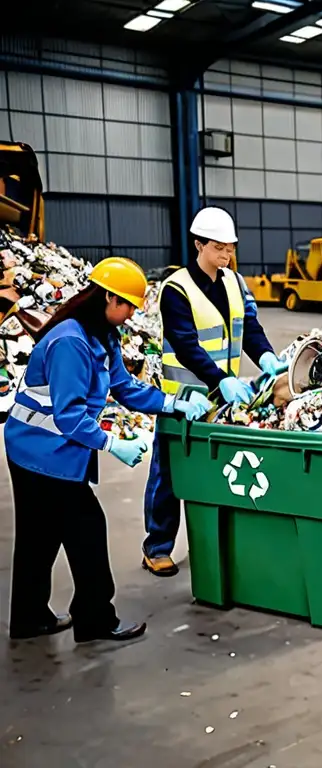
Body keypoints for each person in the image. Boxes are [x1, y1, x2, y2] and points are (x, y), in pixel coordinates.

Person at [5, 258, 212, 642]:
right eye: (128, 305)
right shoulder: (70, 342)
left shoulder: (102, 336)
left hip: (42, 450)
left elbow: (125, 387)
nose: (132, 313)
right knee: (87, 532)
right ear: (106, 298)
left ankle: (30, 618)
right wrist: (112, 443)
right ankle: (94, 620)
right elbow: (68, 416)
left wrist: (172, 404)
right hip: (41, 453)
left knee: (40, 537)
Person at [142, 206, 287, 577]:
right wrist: (218, 377)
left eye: (230, 248)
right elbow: (186, 344)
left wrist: (266, 355)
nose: (226, 255)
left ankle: (218, 543)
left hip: (225, 398)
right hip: (183, 399)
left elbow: (249, 327)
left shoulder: (235, 283)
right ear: (199, 245)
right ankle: (157, 546)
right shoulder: (176, 289)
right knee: (168, 473)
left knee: (223, 470)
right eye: (219, 248)